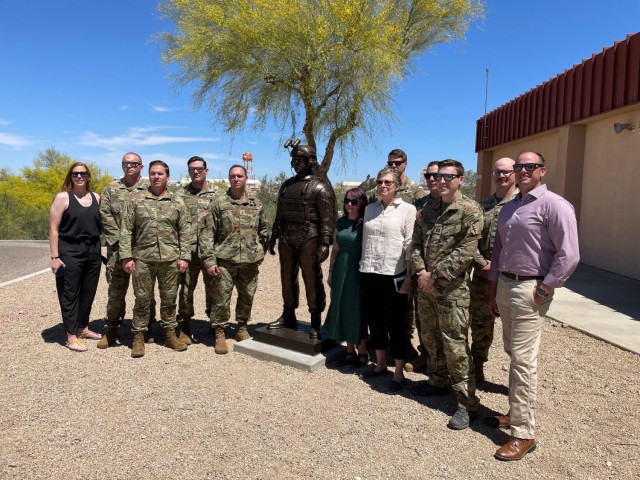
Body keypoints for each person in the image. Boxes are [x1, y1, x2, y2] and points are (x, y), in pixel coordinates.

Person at [487, 151, 579, 461]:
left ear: (542, 170)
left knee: (523, 361)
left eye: (529, 166)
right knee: (513, 353)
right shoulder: (510, 207)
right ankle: (515, 413)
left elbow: (569, 254)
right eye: (518, 166)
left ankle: (523, 433)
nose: (522, 170)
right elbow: (498, 249)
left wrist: (547, 286)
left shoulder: (555, 205)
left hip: (530, 289)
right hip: (505, 287)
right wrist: (492, 287)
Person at [411, 159, 483, 430]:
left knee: (455, 346)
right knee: (430, 338)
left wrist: (435, 276)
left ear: (460, 179)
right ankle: (438, 382)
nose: (441, 181)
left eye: (448, 177)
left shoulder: (469, 210)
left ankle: (467, 404)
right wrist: (420, 273)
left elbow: (466, 251)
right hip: (426, 288)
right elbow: (415, 244)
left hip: (452, 290)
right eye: (437, 176)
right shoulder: (427, 209)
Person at [120, 160, 193, 358]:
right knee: (143, 299)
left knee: (169, 300)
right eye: (153, 173)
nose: (156, 177)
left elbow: (185, 231)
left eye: (160, 173)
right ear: (148, 175)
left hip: (170, 259)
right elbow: (126, 230)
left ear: (167, 177)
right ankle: (139, 337)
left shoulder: (177, 202)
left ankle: (169, 334)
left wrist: (184, 257)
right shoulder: (135, 200)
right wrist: (126, 257)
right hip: (143, 258)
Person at [267, 141, 335, 340]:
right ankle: (288, 314)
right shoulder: (287, 186)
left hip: (310, 238)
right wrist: (274, 235)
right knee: (287, 277)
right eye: (294, 160)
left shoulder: (321, 188)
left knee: (312, 279)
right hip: (287, 237)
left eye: (300, 160)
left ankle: (315, 320)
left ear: (310, 161)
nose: (296, 163)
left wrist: (325, 242)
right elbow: (280, 213)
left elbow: (327, 218)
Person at [359, 167, 416, 394]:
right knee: (375, 320)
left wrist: (409, 278)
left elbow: (410, 246)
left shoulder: (407, 210)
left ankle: (399, 373)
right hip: (370, 271)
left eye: (388, 183)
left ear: (397, 186)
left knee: (397, 324)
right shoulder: (369, 209)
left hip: (394, 274)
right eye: (380, 182)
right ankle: (381, 364)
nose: (383, 186)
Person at [207, 165, 269, 354]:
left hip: (249, 261)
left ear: (246, 177)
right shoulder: (218, 203)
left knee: (247, 295)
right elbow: (207, 233)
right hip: (224, 259)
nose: (236, 179)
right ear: (228, 178)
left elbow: (264, 230)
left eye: (239, 176)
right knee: (221, 298)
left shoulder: (256, 203)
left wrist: (260, 253)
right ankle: (219, 332)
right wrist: (209, 260)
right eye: (233, 176)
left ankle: (241, 327)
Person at [98, 152, 157, 348]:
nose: (129, 166)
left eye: (133, 163)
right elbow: (104, 215)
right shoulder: (111, 188)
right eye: (125, 163)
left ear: (141, 166)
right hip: (117, 250)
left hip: (143, 249)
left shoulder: (150, 188)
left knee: (145, 292)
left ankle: (146, 327)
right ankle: (112, 329)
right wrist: (121, 240)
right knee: (116, 292)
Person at [468, 157, 518, 382]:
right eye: (498, 171)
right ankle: (477, 368)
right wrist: (482, 263)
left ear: (515, 173)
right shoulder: (483, 206)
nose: (502, 175)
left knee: (516, 330)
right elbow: (470, 242)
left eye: (507, 171)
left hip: (512, 275)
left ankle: (518, 382)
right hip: (484, 275)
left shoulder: (524, 203)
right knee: (481, 323)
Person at [49, 162, 103, 352]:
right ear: (70, 177)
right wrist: (55, 257)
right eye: (75, 174)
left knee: (88, 293)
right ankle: (70, 336)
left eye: (82, 173)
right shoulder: (63, 197)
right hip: (69, 251)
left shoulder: (96, 197)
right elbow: (54, 229)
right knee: (69, 294)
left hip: (93, 252)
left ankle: (82, 328)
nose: (79, 177)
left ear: (88, 176)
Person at [175, 155, 220, 344]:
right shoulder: (179, 194)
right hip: (188, 251)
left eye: (199, 169)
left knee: (215, 290)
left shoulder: (218, 195)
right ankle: (185, 326)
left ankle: (215, 323)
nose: (196, 172)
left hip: (211, 251)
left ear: (206, 171)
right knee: (186, 290)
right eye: (192, 169)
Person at [324, 188, 369, 368]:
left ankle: (363, 349)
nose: (349, 204)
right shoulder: (340, 222)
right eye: (347, 200)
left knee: (357, 308)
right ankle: (349, 349)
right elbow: (335, 248)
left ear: (361, 204)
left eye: (354, 202)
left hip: (358, 269)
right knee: (340, 305)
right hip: (341, 267)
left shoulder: (366, 224)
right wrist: (330, 272)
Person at [405, 160, 441, 373]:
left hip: (446, 276)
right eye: (428, 176)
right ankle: (426, 356)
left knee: (446, 325)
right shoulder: (420, 205)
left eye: (436, 175)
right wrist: (420, 272)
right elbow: (414, 241)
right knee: (424, 320)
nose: (432, 180)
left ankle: (444, 368)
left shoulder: (461, 205)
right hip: (421, 273)